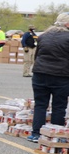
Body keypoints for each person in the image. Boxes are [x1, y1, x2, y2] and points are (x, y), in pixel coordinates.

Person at [27, 13, 69, 143]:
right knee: (59, 106)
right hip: (61, 76)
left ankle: (36, 134)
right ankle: (54, 135)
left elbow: (37, 55)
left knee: (40, 105)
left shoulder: (43, 36)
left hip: (40, 74)